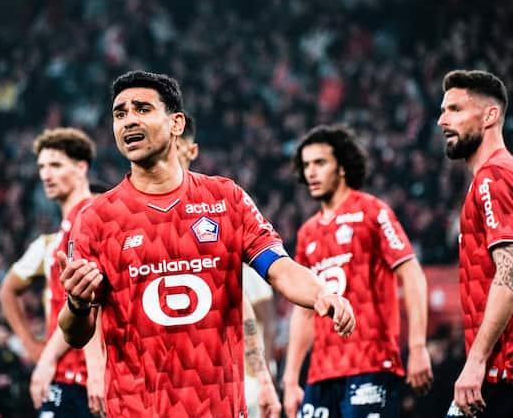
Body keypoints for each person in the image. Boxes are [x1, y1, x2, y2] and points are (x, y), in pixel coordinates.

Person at [56, 70, 356, 418]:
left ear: (176, 123)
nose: (129, 120)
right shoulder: (96, 218)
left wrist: (320, 294)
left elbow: (279, 268)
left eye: (142, 109)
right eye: (120, 114)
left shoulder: (225, 198)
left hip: (218, 409)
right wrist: (77, 304)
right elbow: (75, 335)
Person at [282, 124, 433, 418]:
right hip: (321, 372)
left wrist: (417, 346)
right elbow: (303, 312)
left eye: (320, 163)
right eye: (306, 165)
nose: (311, 172)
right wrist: (290, 379)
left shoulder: (372, 212)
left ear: (341, 167)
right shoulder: (307, 232)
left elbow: (411, 272)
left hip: (371, 363)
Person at [177, 113, 280, 418]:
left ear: (192, 151)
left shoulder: (223, 217)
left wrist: (264, 372)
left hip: (240, 378)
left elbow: (261, 312)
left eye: (177, 148)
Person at [0, 128, 105, 417]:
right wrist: (34, 348)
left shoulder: (90, 215)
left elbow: (94, 299)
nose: (46, 175)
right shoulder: (62, 231)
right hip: (67, 373)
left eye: (56, 165)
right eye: (42, 167)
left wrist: (49, 358)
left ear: (81, 167)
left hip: (83, 378)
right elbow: (8, 290)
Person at [438, 70, 513, 418]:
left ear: (489, 116)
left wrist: (476, 361)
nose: (442, 121)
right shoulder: (493, 176)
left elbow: (510, 272)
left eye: (455, 109)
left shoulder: (494, 177)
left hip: (503, 373)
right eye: (443, 110)